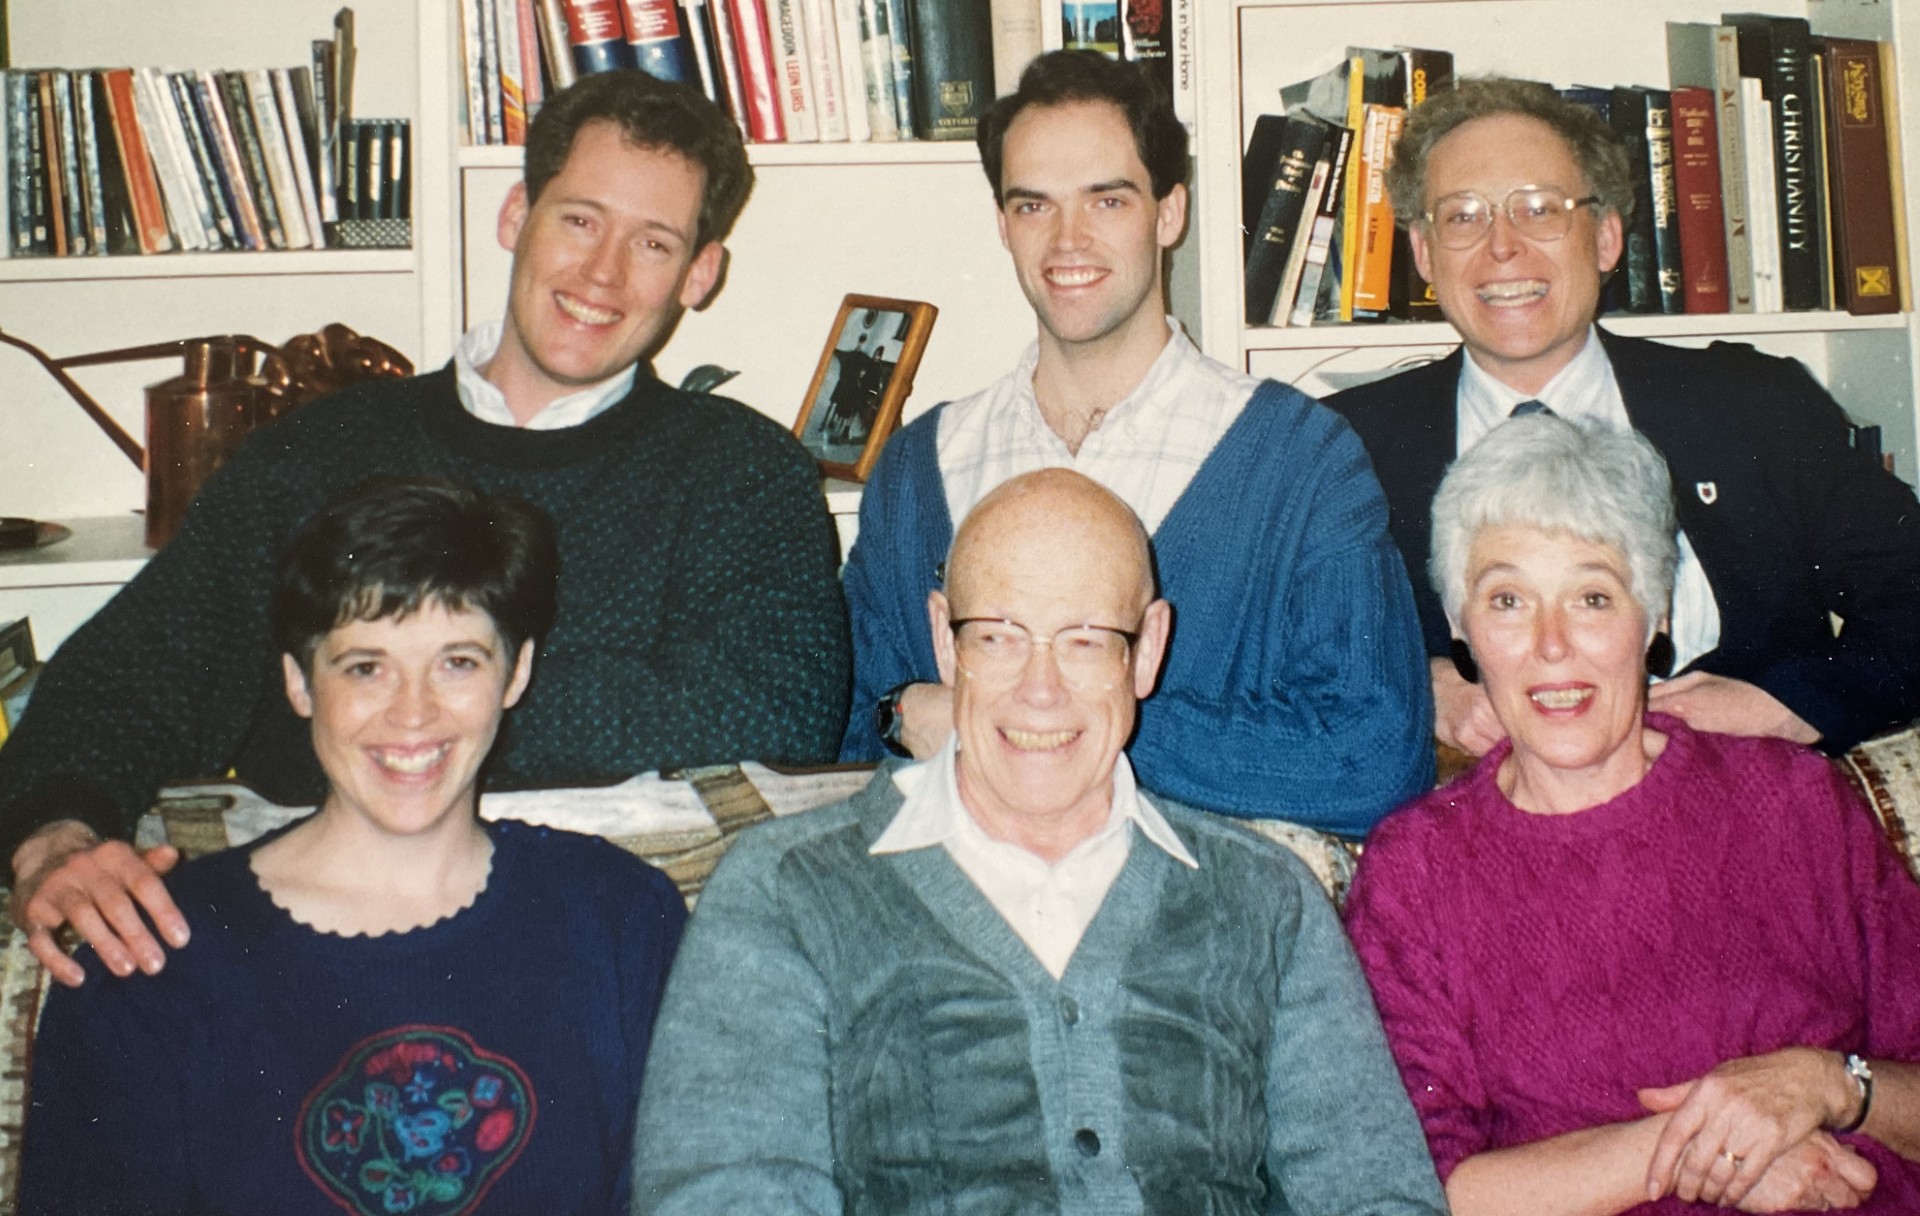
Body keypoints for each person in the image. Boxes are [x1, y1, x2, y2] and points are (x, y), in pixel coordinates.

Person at [0, 69, 849, 989]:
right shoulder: (317, 452)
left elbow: (775, 705)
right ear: (515, 214)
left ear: (700, 273)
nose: (602, 274)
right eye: (578, 219)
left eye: (653, 242)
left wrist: (373, 708)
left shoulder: (745, 470)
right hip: (333, 940)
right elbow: (142, 664)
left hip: (626, 949)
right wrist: (57, 836)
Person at [632, 468, 1446, 1216]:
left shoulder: (1268, 898)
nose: (1041, 689)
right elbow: (725, 1194)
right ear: (945, 645)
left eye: (1087, 639)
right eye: (999, 636)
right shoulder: (786, 890)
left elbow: (1376, 1194)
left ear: (1149, 650)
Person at [18, 477, 689, 1215]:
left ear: (516, 672)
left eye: (458, 661)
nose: (413, 713)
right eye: (365, 666)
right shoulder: (148, 954)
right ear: (300, 682)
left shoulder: (620, 919)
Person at [841, 49, 1431, 836]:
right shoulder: (920, 468)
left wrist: (1031, 735)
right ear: (1002, 225)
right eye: (1033, 205)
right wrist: (901, 714)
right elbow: (854, 731)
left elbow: (1374, 763)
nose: (1067, 241)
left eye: (1107, 201)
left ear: (1170, 212)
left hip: (1200, 936)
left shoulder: (1302, 460)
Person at [1344, 415, 1920, 1216]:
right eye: (1507, 600)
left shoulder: (1796, 802)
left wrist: (1829, 1085)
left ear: (1654, 617)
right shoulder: (1417, 871)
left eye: (1591, 596)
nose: (1552, 646)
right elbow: (1430, 1188)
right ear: (1461, 627)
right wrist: (1715, 1142)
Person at [1326, 76, 1920, 761]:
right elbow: (1280, 648)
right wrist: (1416, 685)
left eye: (1540, 209)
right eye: (1463, 216)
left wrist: (1786, 708)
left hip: (1747, 804)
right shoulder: (1342, 446)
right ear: (1425, 255)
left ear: (1607, 238)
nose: (1502, 247)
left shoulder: (1756, 405)